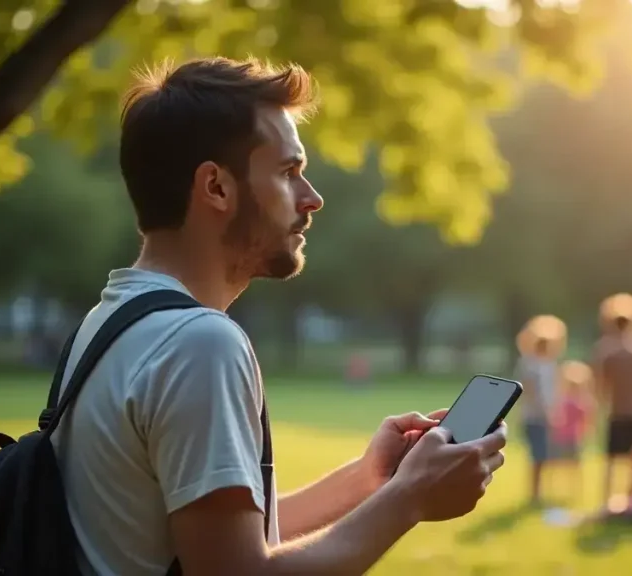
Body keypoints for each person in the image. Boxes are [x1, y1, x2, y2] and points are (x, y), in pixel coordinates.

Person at [51, 57, 507, 576]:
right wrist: (411, 500)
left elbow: (220, 537)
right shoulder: (199, 344)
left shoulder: (112, 322)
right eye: (289, 172)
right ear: (216, 187)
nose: (312, 199)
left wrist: (370, 478)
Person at [591, 314, 632, 511]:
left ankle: (607, 500)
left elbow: (601, 387)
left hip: (616, 412)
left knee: (611, 461)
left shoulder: (606, 351)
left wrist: (598, 411)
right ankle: (631, 501)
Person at [514, 334, 559, 505]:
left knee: (544, 455)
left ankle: (540, 492)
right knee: (538, 454)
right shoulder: (529, 365)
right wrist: (546, 412)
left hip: (546, 415)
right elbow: (531, 391)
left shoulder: (549, 365)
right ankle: (535, 494)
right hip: (534, 416)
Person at [548, 361, 595, 505]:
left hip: (569, 437)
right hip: (566, 437)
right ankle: (563, 490)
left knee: (570, 464)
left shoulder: (570, 401)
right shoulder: (574, 401)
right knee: (565, 464)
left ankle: (572, 490)